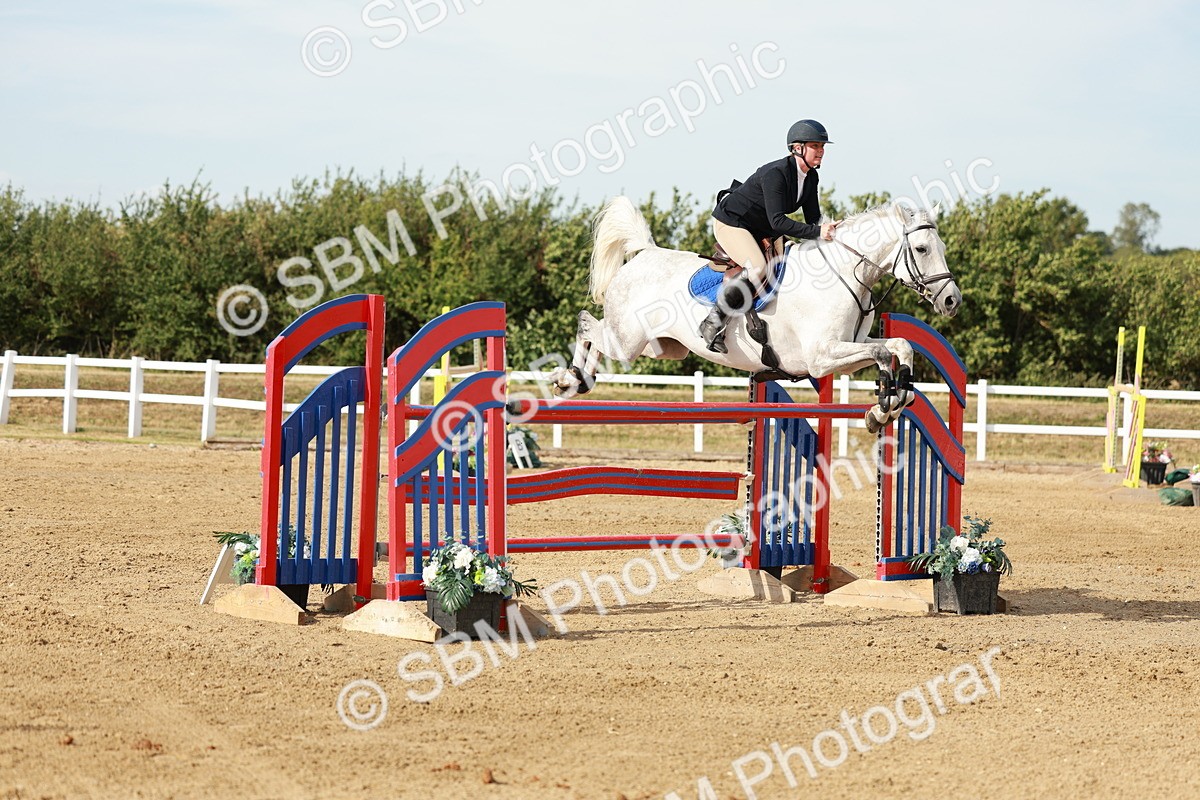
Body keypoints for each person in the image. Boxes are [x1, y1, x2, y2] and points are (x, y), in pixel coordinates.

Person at [699, 119, 840, 353]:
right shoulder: (776, 174)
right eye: (816, 146)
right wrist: (817, 232)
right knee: (757, 268)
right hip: (733, 222)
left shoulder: (811, 177)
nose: (821, 151)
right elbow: (779, 221)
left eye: (822, 147)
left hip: (763, 228)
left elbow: (813, 219)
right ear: (798, 148)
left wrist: (832, 232)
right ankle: (712, 322)